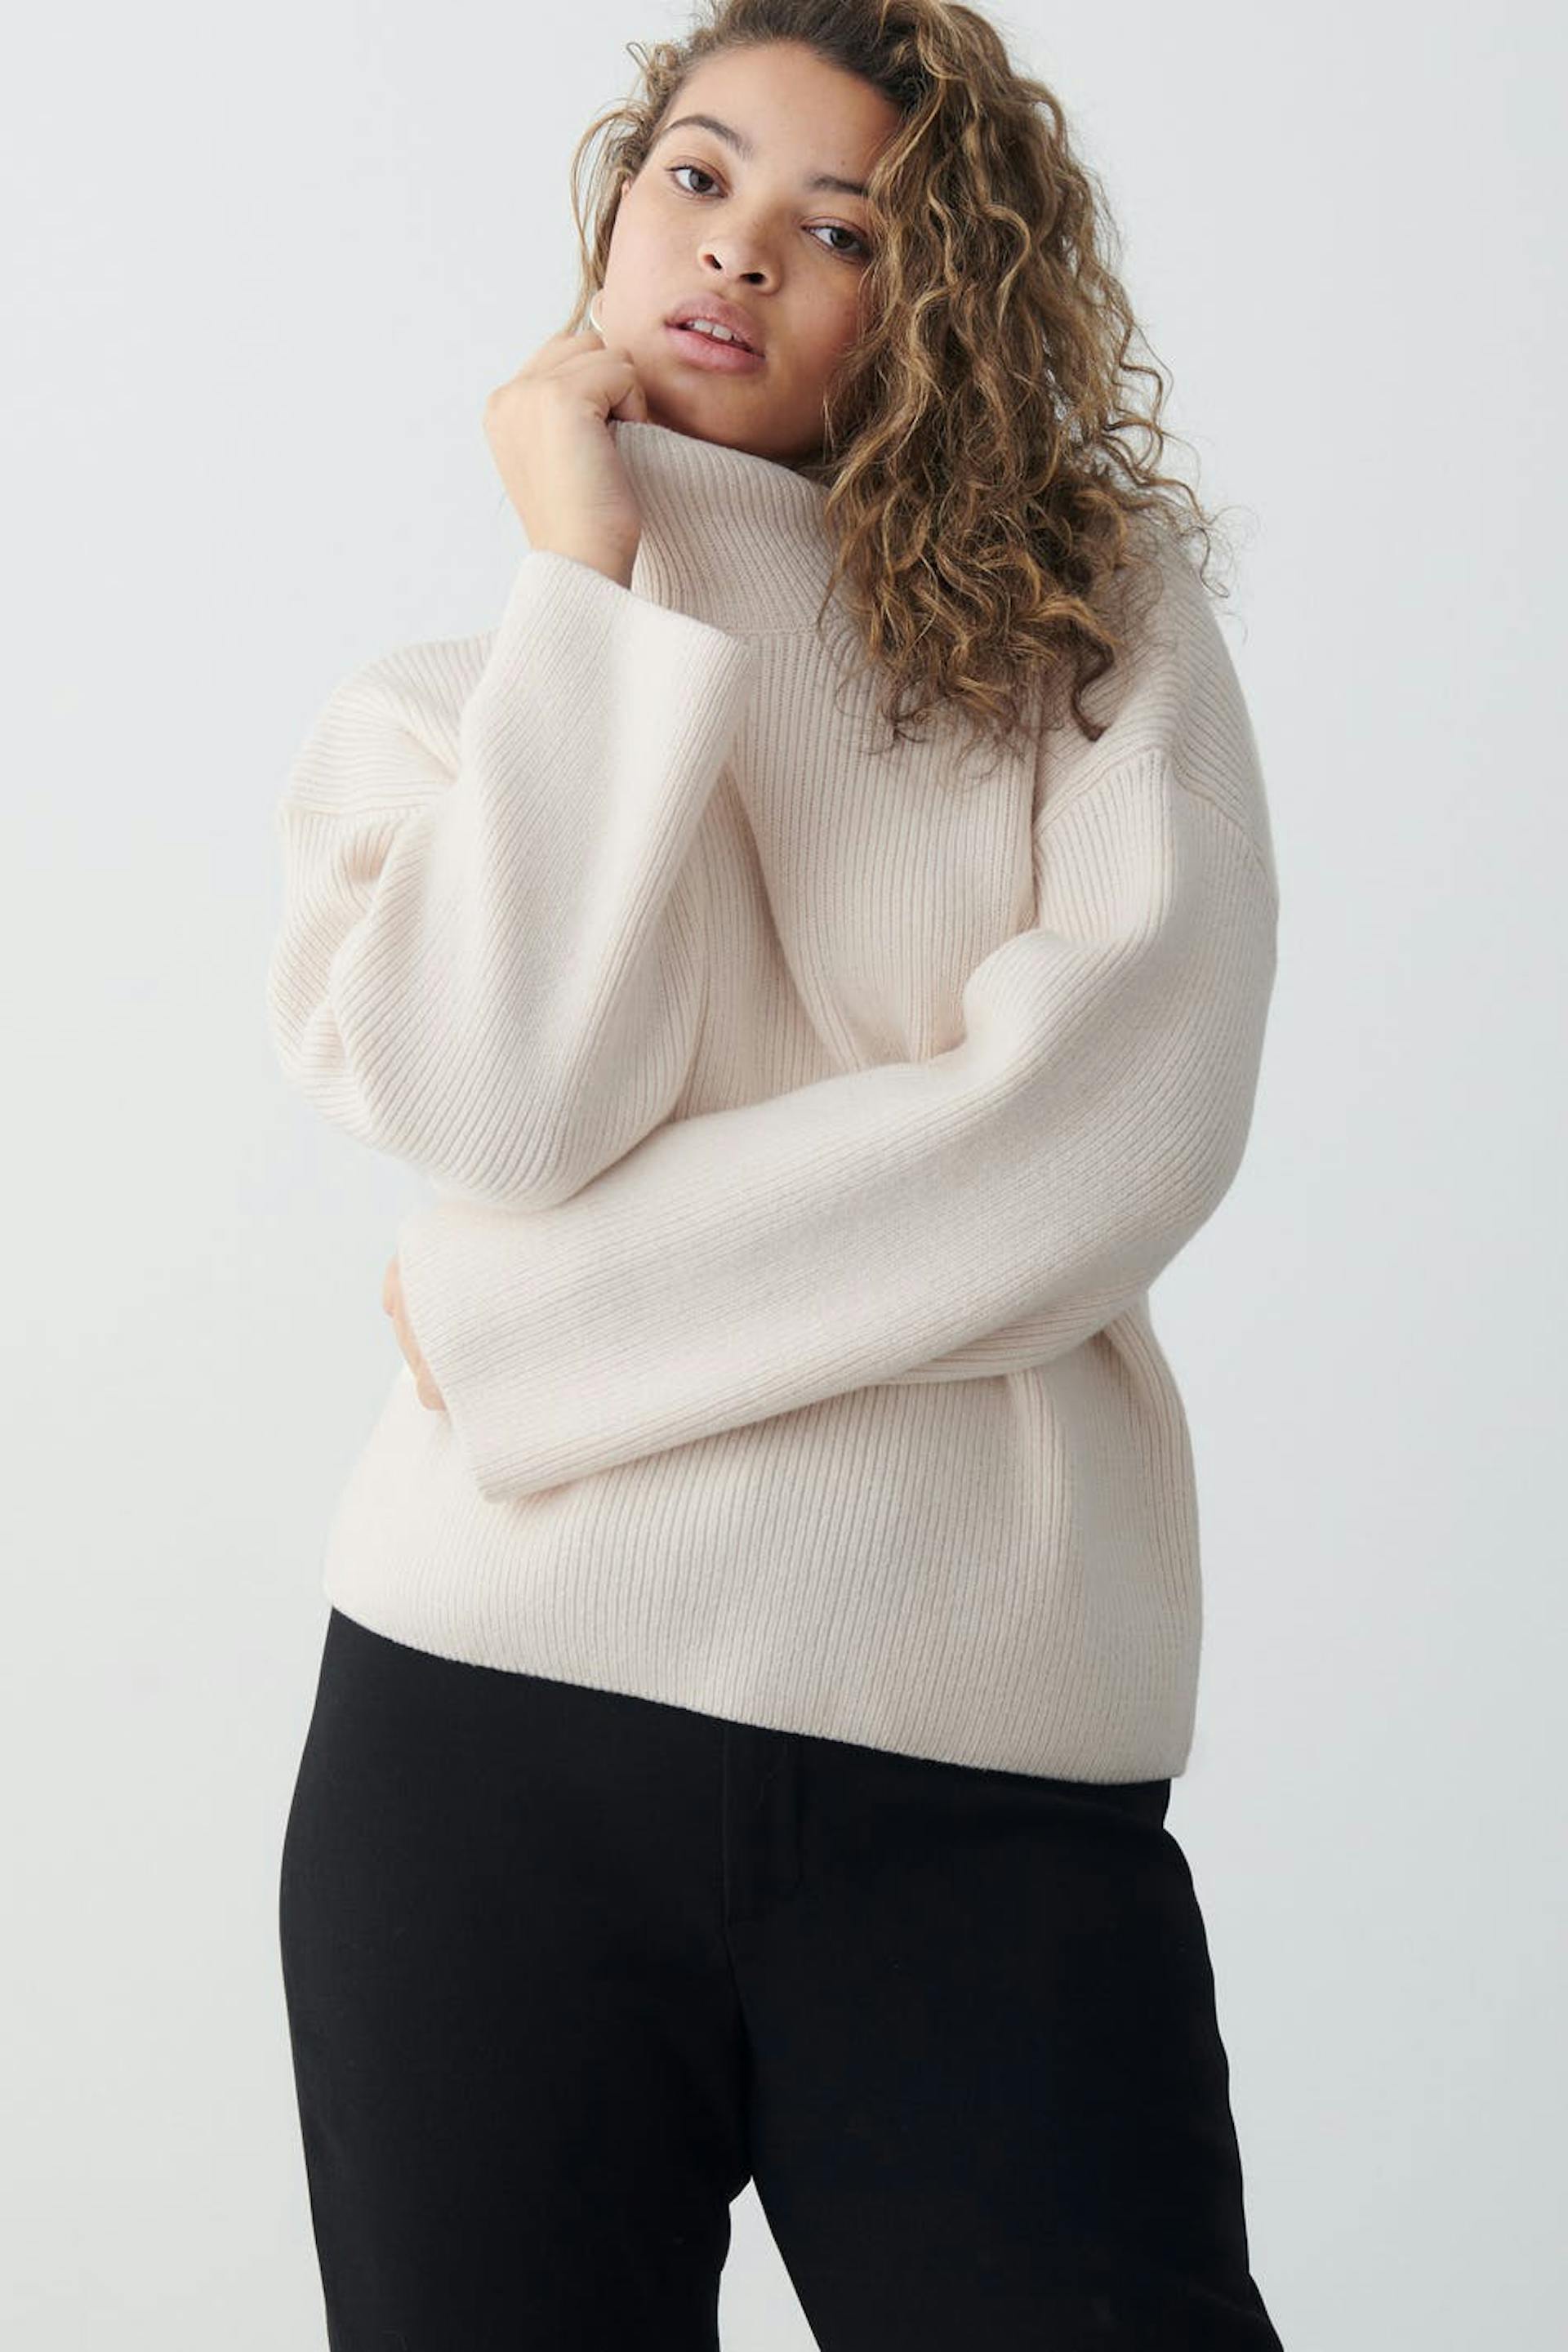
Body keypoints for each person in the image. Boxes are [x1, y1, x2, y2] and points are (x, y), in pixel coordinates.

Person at [267, 2, 1287, 2345]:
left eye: (845, 231)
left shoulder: (1089, 637)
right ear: (619, 206)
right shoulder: (445, 719)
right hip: (476, 1744)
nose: (737, 252)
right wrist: (592, 580)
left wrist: (523, 1322)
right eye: (699, 177)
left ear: (937, 308)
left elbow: (1105, 1129)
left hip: (981, 1784)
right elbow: (509, 1103)